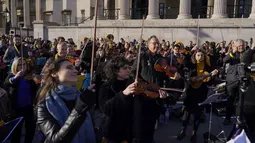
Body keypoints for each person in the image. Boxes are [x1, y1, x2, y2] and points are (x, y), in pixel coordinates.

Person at [99, 56, 168, 143]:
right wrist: (123, 94)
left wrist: (159, 99)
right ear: (115, 70)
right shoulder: (106, 87)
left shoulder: (135, 84)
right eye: (124, 68)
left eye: (129, 67)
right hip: (116, 133)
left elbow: (148, 108)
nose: (129, 70)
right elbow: (106, 109)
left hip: (135, 133)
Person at [36, 59, 96, 143]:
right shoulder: (45, 103)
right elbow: (54, 140)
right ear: (54, 73)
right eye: (69, 68)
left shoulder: (81, 96)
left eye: (75, 68)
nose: (75, 70)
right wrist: (79, 110)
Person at [176, 50, 218, 143]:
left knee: (198, 114)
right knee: (186, 113)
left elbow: (209, 82)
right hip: (190, 91)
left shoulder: (207, 67)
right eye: (198, 55)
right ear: (194, 56)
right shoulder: (191, 65)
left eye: (202, 55)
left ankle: (194, 133)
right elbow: (185, 72)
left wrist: (212, 76)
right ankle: (183, 130)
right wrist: (187, 53)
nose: (200, 57)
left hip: (201, 92)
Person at [4, 57, 37, 143]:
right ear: (15, 66)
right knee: (17, 131)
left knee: (30, 129)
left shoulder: (29, 76)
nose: (22, 66)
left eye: (24, 64)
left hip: (28, 106)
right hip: (16, 108)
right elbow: (6, 83)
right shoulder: (12, 75)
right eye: (19, 65)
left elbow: (35, 90)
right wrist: (16, 77)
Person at [223, 39, 244, 125]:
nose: (240, 47)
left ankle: (239, 118)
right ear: (234, 46)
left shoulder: (246, 53)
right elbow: (224, 60)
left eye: (242, 45)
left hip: (242, 80)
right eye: (238, 46)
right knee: (230, 99)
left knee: (241, 100)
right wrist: (233, 52)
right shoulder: (231, 53)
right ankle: (227, 118)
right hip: (232, 81)